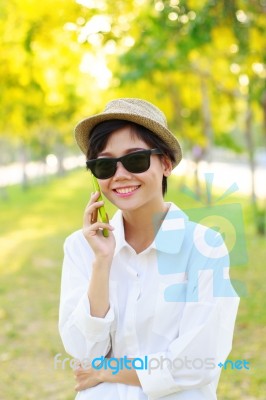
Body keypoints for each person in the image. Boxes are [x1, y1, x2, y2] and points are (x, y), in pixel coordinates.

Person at [58, 98, 239, 400]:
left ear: (166, 163)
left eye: (136, 159)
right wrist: (102, 262)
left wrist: (105, 372)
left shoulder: (204, 248)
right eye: (104, 165)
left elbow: (200, 361)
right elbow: (82, 351)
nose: (120, 175)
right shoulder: (81, 248)